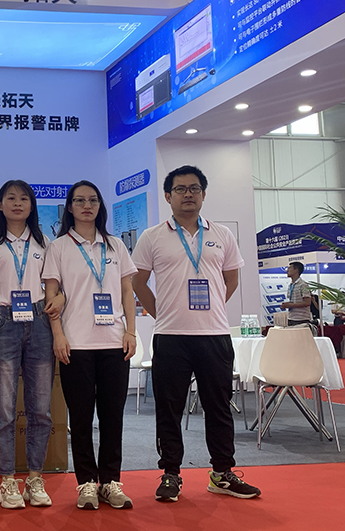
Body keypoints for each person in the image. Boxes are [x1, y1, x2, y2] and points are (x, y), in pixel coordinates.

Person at [131, 165, 261, 502]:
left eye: (194, 188)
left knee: (219, 407)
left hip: (214, 335)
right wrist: (162, 312)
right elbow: (137, 282)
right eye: (180, 189)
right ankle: (171, 473)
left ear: (203, 194)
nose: (187, 194)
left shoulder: (222, 234)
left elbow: (231, 279)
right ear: (168, 196)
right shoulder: (152, 236)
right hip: (170, 336)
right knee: (169, 409)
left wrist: (212, 307)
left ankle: (222, 473)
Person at [42, 181, 138, 510]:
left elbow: (127, 292)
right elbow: (51, 296)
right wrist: (58, 335)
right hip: (76, 344)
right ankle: (85, 483)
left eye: (93, 200)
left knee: (112, 418)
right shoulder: (59, 248)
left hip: (114, 343)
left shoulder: (115, 245)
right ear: (69, 207)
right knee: (81, 419)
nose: (87, 206)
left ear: (100, 206)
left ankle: (110, 482)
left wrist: (131, 331)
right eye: (80, 200)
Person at [0, 180, 55, 509]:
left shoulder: (44, 242)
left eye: (24, 198)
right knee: (5, 410)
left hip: (39, 322)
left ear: (32, 206)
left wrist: (59, 300)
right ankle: (7, 481)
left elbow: (55, 286)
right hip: (1, 321)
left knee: (41, 410)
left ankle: (35, 478)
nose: (18, 203)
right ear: (0, 204)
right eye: (11, 198)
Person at [281, 262, 313, 326]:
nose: (287, 270)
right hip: (291, 317)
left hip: (302, 319)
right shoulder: (290, 285)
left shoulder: (303, 285)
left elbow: (307, 302)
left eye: (289, 268)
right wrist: (286, 305)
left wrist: (291, 305)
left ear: (296, 270)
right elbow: (293, 301)